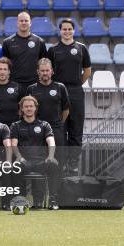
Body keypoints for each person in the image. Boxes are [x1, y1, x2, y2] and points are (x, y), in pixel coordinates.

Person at [47, 18, 91, 173]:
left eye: (69, 29)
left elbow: (87, 71)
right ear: (60, 31)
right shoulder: (53, 50)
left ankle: (73, 164)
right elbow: (48, 71)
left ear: (74, 30)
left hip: (76, 92)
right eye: (64, 29)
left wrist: (77, 83)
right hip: (58, 92)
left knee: (76, 129)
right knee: (60, 129)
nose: (66, 32)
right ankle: (60, 163)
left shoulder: (81, 48)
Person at [10, 96, 60, 210]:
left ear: (35, 108)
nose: (28, 108)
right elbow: (14, 144)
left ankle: (52, 200)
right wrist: (19, 157)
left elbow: (51, 141)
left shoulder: (44, 125)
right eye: (26, 106)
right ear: (22, 109)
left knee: (54, 165)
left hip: (41, 162)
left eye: (31, 106)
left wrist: (51, 156)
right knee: (15, 166)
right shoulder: (15, 126)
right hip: (24, 161)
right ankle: (20, 200)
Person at [26, 58, 70, 168]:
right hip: (37, 129)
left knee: (58, 162)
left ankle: (57, 185)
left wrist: (59, 122)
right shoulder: (31, 89)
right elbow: (27, 110)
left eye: (47, 70)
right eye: (42, 71)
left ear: (52, 71)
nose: (45, 73)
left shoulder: (60, 87)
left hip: (56, 129)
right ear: (38, 72)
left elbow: (66, 109)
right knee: (37, 162)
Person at [2, 11, 48, 95]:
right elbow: (5, 65)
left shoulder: (39, 42)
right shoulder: (7, 42)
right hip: (14, 84)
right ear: (17, 23)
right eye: (21, 21)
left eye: (26, 21)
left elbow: (44, 63)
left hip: (35, 84)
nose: (24, 23)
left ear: (30, 23)